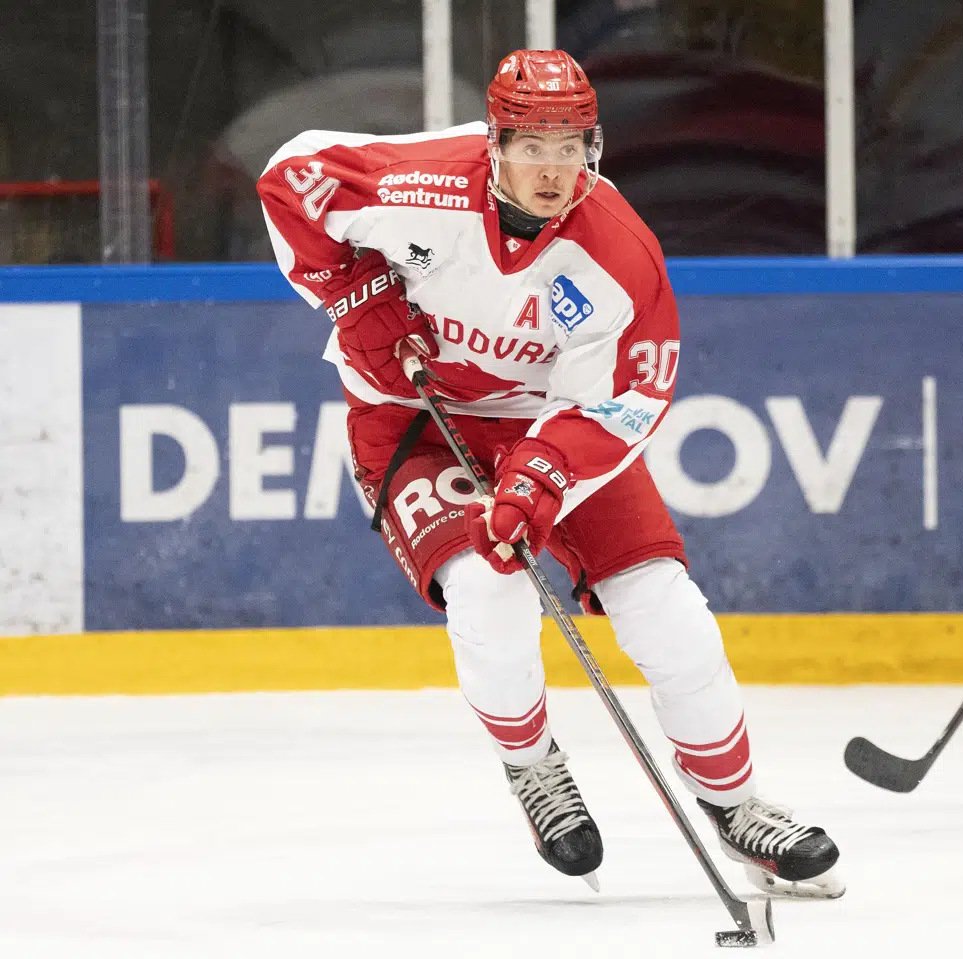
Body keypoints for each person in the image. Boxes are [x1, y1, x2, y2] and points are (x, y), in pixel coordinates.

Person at [256, 49, 842, 897]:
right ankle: (533, 766)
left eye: (572, 147)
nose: (554, 168)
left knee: (669, 612)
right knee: (488, 590)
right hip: (415, 420)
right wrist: (354, 292)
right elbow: (289, 179)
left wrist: (540, 473)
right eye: (532, 146)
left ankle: (737, 800)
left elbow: (634, 393)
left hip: (554, 430)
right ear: (493, 144)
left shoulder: (619, 252)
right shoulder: (418, 186)